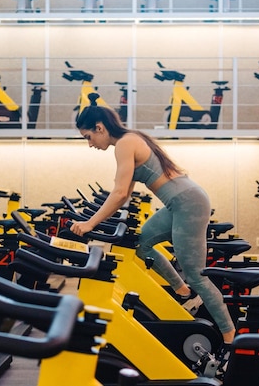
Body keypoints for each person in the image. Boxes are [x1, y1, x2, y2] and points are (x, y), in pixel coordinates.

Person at [69, 101, 235, 348]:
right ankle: (182, 292)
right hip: (177, 203)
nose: (90, 144)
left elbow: (119, 192)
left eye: (88, 137)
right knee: (142, 243)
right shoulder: (129, 140)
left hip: (187, 202)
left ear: (100, 127)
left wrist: (90, 224)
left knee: (196, 274)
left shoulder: (125, 143)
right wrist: (99, 220)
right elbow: (123, 195)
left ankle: (230, 337)